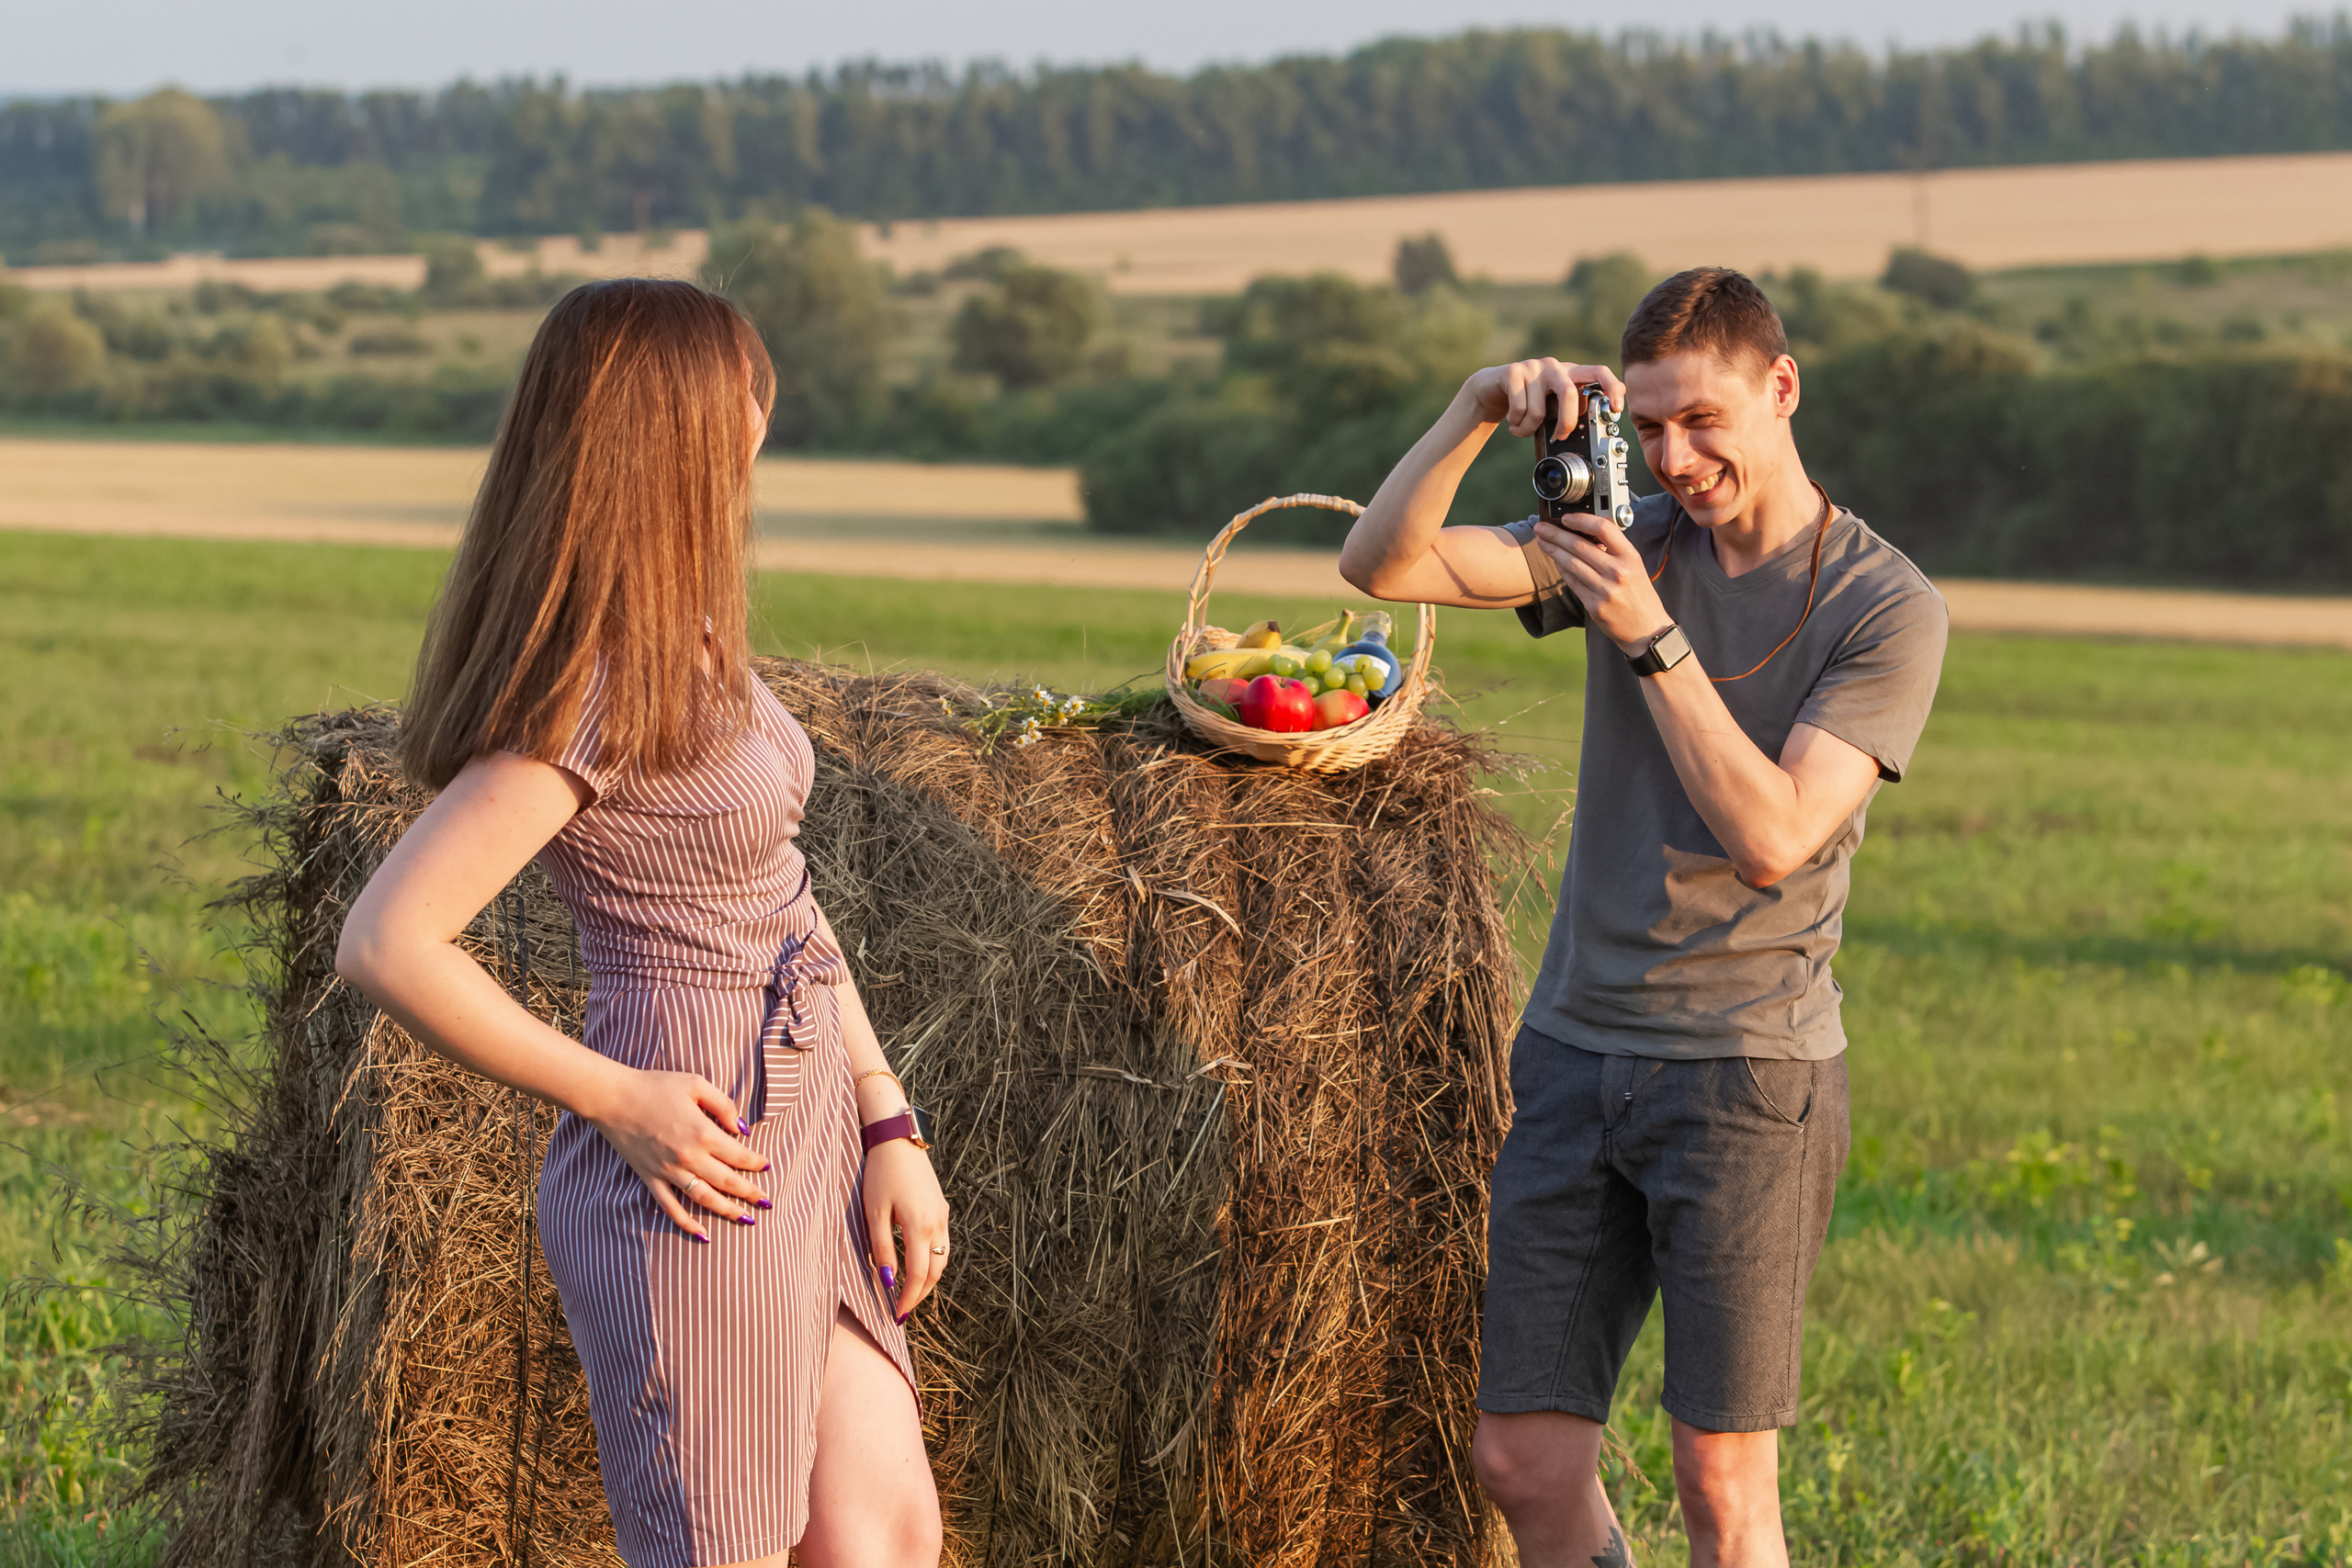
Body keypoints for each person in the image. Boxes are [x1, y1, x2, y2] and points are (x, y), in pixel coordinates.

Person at [1338, 267, 1947, 1567]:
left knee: (1723, 1487)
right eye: (1651, 426)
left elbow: (1778, 837)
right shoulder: (1625, 538)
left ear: (1782, 391)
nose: (1675, 458)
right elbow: (1380, 562)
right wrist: (1470, 412)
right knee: (1522, 1456)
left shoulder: (1885, 607)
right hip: (1573, 1053)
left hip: (1746, 1074)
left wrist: (1648, 632)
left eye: (1705, 421)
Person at [335, 278, 947, 1568]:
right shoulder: (590, 691)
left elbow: (783, 900)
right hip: (698, 1169)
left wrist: (886, 1115)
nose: (761, 421)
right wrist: (620, 1100)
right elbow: (387, 941)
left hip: (812, 1134)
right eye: (743, 395)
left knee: (880, 1538)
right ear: (669, 427)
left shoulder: (697, 642)